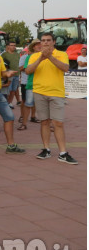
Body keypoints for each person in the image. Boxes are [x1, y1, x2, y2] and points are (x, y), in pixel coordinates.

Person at [25, 32, 77, 164]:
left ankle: (63, 153)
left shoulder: (62, 54)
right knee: (44, 122)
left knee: (58, 123)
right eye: (43, 41)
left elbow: (65, 68)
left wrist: (50, 57)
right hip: (39, 91)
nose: (45, 43)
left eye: (48, 40)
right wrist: (41, 58)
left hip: (56, 93)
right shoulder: (35, 56)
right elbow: (28, 71)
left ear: (54, 42)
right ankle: (46, 149)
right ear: (40, 43)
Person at [18, 39, 40, 131]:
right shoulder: (27, 57)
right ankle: (24, 122)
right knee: (27, 103)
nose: (39, 46)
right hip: (29, 83)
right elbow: (26, 70)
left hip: (43, 84)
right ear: (33, 47)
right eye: (37, 45)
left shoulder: (47, 56)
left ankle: (46, 123)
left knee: (44, 104)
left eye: (40, 44)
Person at [1, 40, 21, 108]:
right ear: (8, 46)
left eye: (14, 45)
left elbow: (19, 64)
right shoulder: (4, 54)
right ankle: (6, 103)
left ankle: (9, 103)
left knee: (14, 90)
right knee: (8, 90)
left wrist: (20, 75)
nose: (13, 47)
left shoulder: (17, 54)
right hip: (8, 75)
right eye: (12, 45)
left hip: (16, 75)